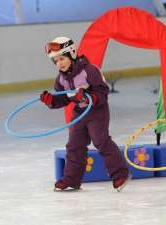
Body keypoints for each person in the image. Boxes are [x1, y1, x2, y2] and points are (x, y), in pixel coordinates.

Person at [40, 36, 130, 191]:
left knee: (101, 141)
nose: (59, 64)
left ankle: (120, 174)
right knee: (74, 145)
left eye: (61, 59)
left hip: (97, 111)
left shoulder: (89, 71)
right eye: (55, 61)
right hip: (79, 112)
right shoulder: (61, 79)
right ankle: (71, 180)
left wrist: (89, 98)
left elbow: (103, 93)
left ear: (72, 54)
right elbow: (63, 99)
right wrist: (51, 101)